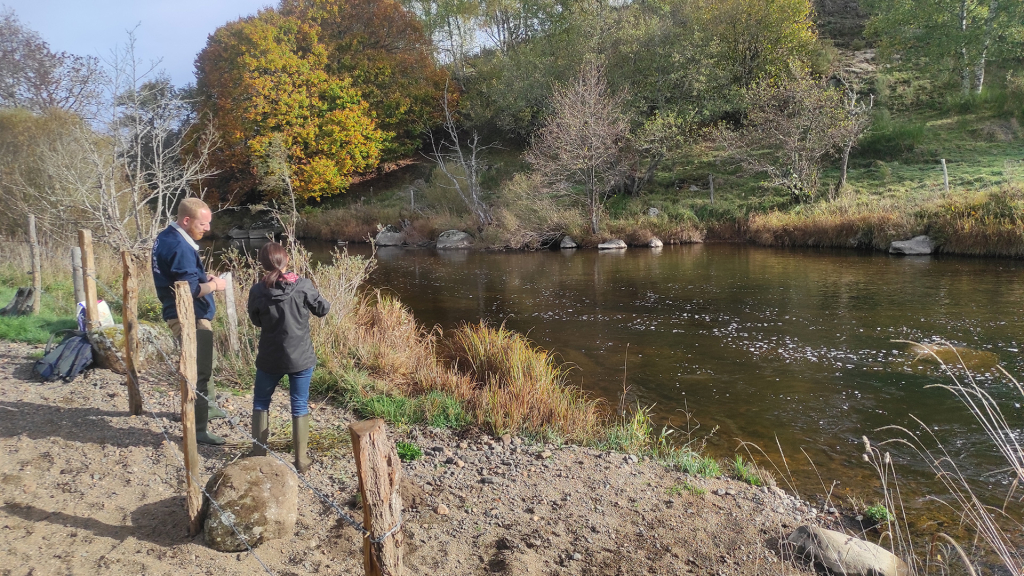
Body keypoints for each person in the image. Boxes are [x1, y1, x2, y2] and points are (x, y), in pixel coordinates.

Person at [246, 242, 330, 472]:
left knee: (261, 403)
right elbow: (323, 309)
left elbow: (256, 320)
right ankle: (301, 461)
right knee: (299, 404)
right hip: (300, 358)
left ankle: (258, 454)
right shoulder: (302, 285)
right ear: (287, 260)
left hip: (270, 357)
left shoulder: (257, 290)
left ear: (263, 264)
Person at [152, 197, 228, 445]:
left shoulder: (167, 236)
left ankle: (210, 408)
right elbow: (190, 290)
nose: (207, 229)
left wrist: (200, 274)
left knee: (205, 363)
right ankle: (198, 430)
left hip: (184, 311)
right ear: (186, 220)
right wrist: (214, 285)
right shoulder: (181, 247)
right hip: (187, 316)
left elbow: (179, 276)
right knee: (199, 371)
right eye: (203, 224)